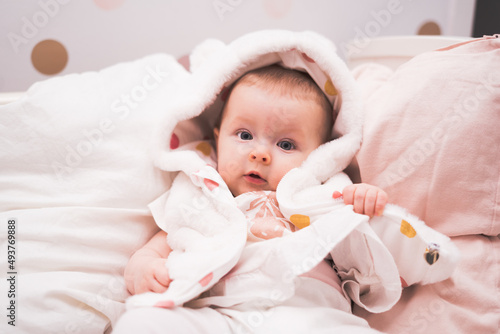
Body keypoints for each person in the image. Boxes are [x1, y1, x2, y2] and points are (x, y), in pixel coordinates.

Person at [113, 65, 388, 333]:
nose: (260, 154)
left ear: (318, 156)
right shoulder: (205, 198)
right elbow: (169, 236)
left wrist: (361, 202)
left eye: (286, 144)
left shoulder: (322, 193)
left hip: (311, 315)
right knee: (140, 322)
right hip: (222, 314)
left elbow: (358, 244)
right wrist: (144, 263)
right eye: (244, 135)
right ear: (218, 141)